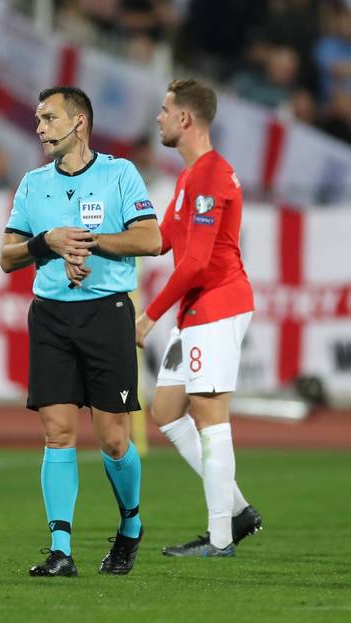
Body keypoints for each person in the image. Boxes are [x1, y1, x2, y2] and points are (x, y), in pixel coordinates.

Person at [0, 86, 161, 577]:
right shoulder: (32, 184)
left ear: (79, 123)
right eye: (37, 119)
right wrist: (46, 242)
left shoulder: (119, 174)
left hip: (107, 313)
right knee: (57, 433)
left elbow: (151, 239)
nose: (40, 127)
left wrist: (88, 244)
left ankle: (130, 525)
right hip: (50, 316)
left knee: (113, 440)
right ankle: (60, 550)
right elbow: (6, 257)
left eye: (49, 118)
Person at [135, 79, 261, 557]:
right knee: (167, 411)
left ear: (186, 118)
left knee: (209, 413)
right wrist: (105, 239)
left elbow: (196, 264)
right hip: (197, 311)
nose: (159, 118)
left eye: (165, 110)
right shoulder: (190, 177)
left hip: (217, 306)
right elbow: (162, 239)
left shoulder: (211, 177)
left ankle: (221, 537)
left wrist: (149, 315)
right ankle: (238, 510)